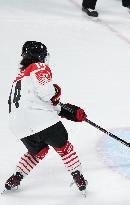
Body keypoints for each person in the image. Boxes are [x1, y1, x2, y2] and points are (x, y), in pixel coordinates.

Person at [4, 41, 88, 195]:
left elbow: (37, 103)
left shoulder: (18, 80)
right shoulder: (38, 67)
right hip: (41, 120)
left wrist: (71, 112)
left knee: (38, 151)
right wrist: (55, 91)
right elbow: (47, 94)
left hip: (19, 126)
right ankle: (78, 177)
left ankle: (16, 177)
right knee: (64, 148)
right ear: (40, 56)